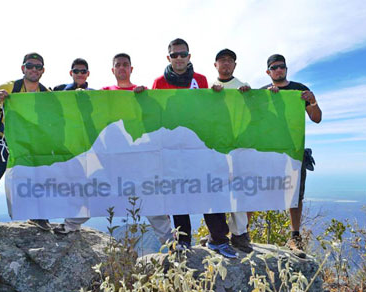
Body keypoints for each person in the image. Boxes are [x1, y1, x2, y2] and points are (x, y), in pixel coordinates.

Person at [151, 38, 238, 258]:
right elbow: (153, 114)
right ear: (168, 57)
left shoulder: (200, 79)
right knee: (179, 193)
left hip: (199, 147)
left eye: (183, 54)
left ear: (189, 56)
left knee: (209, 190)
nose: (179, 58)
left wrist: (216, 94)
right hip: (172, 148)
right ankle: (183, 240)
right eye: (174, 55)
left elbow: (207, 111)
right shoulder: (159, 82)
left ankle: (218, 239)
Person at [102, 53, 173, 245]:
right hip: (113, 158)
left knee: (152, 201)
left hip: (140, 158)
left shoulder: (142, 92)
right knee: (95, 193)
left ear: (131, 69)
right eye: (118, 65)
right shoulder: (104, 92)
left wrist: (146, 98)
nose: (122, 68)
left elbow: (157, 119)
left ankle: (171, 245)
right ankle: (69, 226)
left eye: (126, 65)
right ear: (113, 69)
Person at [0, 52, 51, 231]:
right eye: (30, 66)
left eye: (38, 67)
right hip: (2, 139)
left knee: (36, 178)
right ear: (23, 68)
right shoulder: (10, 87)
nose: (33, 69)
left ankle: (37, 215)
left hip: (29, 142)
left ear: (43, 70)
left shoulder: (46, 93)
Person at [262, 54, 322, 258]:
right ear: (268, 72)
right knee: (254, 191)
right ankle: (241, 235)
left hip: (294, 151)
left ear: (286, 69)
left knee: (295, 196)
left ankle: (295, 237)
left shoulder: (299, 90)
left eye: (282, 67)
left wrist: (312, 101)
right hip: (267, 151)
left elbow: (316, 118)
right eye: (274, 67)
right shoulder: (263, 93)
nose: (279, 70)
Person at [210, 48, 253, 253]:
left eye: (230, 61)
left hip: (238, 148)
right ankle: (217, 234)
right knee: (216, 189)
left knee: (238, 190)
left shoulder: (243, 87)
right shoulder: (209, 88)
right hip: (214, 148)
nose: (226, 64)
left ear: (235, 65)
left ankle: (240, 234)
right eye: (222, 60)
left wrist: (250, 95)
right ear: (215, 64)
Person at [51, 57, 93, 234]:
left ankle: (72, 223)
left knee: (91, 187)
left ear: (88, 74)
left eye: (83, 71)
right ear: (71, 73)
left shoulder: (95, 94)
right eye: (76, 71)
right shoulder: (59, 91)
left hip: (88, 147)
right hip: (66, 147)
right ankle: (69, 224)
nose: (80, 74)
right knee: (66, 186)